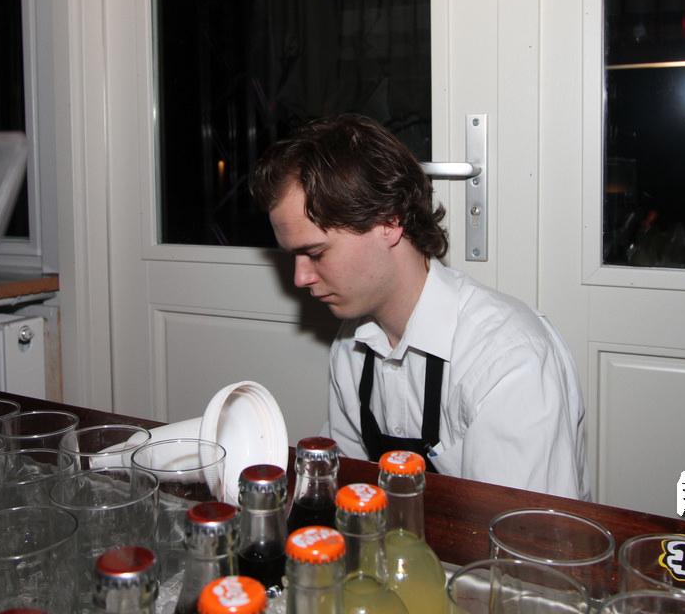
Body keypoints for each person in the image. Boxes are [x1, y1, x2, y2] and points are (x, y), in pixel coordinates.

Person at [250, 114, 590, 499]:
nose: (300, 278)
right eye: (293, 257)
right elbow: (346, 490)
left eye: (315, 253)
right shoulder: (351, 349)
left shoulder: (508, 361)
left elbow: (519, 532)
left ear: (389, 220)